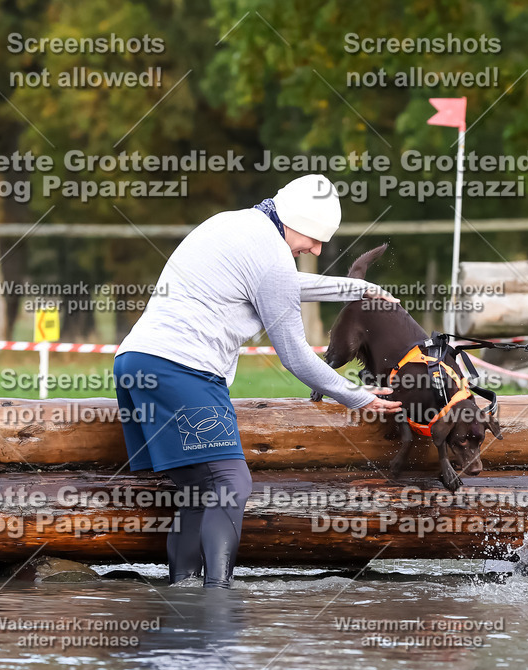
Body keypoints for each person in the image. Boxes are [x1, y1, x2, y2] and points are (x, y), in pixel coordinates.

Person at [113, 174, 402, 588]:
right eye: (315, 238)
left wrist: (356, 288)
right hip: (182, 367)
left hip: (135, 361)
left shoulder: (233, 224)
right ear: (293, 219)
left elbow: (281, 283)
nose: (316, 250)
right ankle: (217, 598)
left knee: (199, 490)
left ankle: (184, 597)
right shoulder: (270, 253)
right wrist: (356, 397)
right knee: (231, 483)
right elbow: (296, 357)